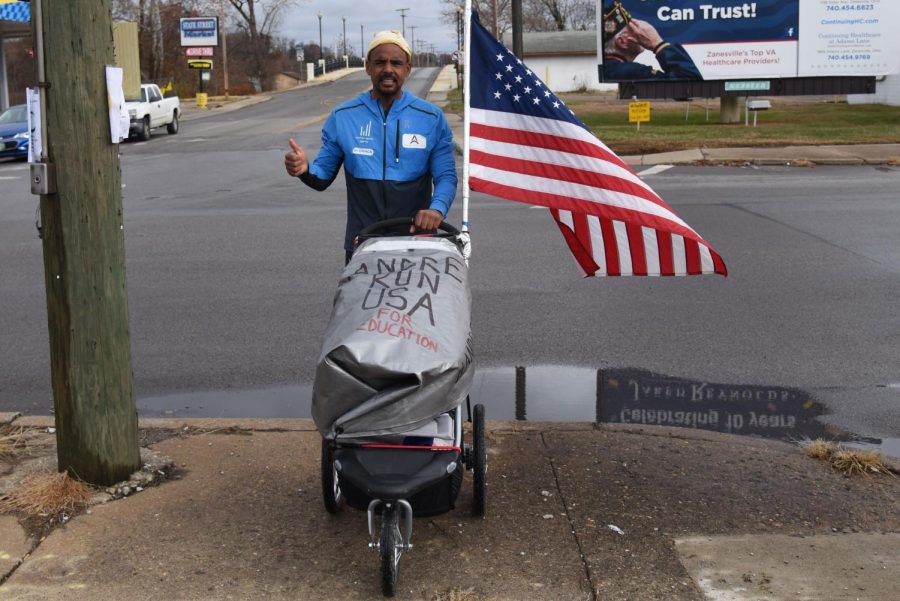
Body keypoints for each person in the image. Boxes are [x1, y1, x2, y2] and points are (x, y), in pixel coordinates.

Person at [284, 30, 457, 264]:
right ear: (368, 67)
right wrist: (304, 169)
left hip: (418, 243)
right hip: (363, 244)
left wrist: (436, 210)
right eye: (380, 62)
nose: (388, 69)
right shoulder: (343, 116)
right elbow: (321, 176)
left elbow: (446, 176)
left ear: (407, 69)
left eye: (396, 63)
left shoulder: (431, 118)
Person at [602, 16, 702, 81]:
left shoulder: (608, 68)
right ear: (622, 41)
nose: (642, 30)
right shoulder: (633, 72)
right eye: (634, 28)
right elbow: (691, 83)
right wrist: (657, 43)